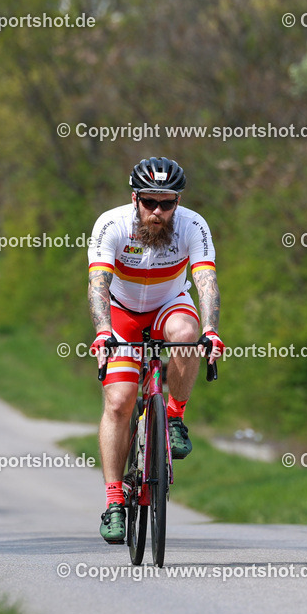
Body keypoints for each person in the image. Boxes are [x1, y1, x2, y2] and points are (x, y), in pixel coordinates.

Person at [87, 157, 224, 544]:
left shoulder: (193, 225)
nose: (158, 212)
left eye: (167, 203)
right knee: (119, 401)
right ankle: (115, 502)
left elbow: (206, 281)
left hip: (169, 303)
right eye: (150, 203)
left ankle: (175, 418)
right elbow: (98, 284)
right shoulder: (111, 225)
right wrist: (102, 332)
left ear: (177, 202)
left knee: (186, 332)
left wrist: (211, 332)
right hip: (122, 312)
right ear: (135, 199)